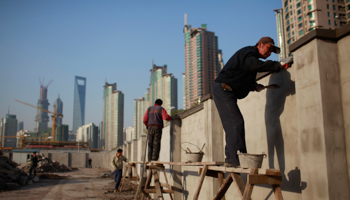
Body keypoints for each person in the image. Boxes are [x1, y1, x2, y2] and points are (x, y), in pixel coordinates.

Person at [212, 36, 291, 167]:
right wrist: (279, 65)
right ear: (260, 44)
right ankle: (239, 159)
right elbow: (254, 66)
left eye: (272, 51)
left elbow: (243, 74)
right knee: (236, 122)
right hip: (223, 90)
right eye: (269, 49)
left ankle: (231, 159)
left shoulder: (250, 57)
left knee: (231, 125)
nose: (269, 53)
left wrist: (253, 86)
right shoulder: (250, 52)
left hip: (225, 90)